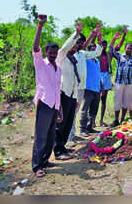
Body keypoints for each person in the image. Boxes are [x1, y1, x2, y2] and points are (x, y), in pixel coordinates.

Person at [31, 14, 62, 178]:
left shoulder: (58, 68)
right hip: (44, 104)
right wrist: (40, 26)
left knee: (50, 136)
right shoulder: (41, 63)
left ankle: (44, 160)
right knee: (41, 136)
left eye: (55, 53)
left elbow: (58, 89)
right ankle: (37, 166)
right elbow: (35, 48)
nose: (53, 55)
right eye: (51, 52)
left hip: (54, 105)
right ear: (47, 52)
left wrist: (60, 109)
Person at [52, 20, 83, 160]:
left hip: (72, 96)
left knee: (68, 122)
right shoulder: (62, 56)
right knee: (60, 123)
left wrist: (76, 98)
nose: (75, 47)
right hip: (63, 94)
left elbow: (75, 80)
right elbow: (65, 48)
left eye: (76, 46)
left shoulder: (73, 59)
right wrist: (76, 33)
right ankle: (57, 151)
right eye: (74, 45)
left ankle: (63, 146)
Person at [69, 26, 103, 139]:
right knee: (72, 111)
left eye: (81, 43)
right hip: (71, 87)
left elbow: (97, 52)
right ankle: (71, 134)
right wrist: (91, 35)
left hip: (81, 87)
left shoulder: (84, 54)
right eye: (77, 42)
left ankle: (72, 134)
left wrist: (98, 39)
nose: (79, 45)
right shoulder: (70, 54)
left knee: (75, 111)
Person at [98, 25, 127, 127]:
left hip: (106, 76)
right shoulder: (96, 55)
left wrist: (123, 35)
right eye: (102, 44)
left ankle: (101, 120)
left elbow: (116, 46)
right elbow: (98, 44)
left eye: (105, 44)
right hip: (98, 76)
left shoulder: (108, 54)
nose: (104, 46)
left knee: (103, 99)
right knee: (96, 98)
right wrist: (99, 37)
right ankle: (91, 121)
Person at [109, 31, 132, 126]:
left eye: (131, 48)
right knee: (117, 101)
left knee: (126, 102)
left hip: (128, 84)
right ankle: (116, 120)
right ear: (125, 48)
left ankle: (122, 120)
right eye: (128, 48)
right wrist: (114, 39)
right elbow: (111, 50)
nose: (129, 49)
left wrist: (130, 77)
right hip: (119, 83)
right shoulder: (120, 56)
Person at [79, 33, 103, 137]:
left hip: (96, 89)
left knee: (94, 109)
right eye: (92, 48)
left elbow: (98, 74)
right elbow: (83, 46)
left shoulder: (97, 61)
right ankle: (82, 129)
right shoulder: (86, 58)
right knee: (85, 109)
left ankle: (90, 127)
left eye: (95, 48)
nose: (94, 50)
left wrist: (101, 85)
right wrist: (93, 36)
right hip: (88, 88)